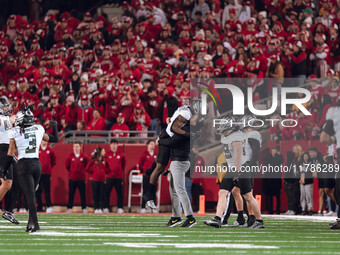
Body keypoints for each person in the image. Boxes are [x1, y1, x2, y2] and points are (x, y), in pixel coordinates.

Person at [5, 105, 59, 232]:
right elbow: (55, 138)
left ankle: (36, 225)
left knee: (29, 196)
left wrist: (4, 170)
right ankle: (30, 223)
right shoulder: (38, 128)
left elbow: (10, 154)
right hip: (37, 164)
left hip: (24, 165)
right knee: (31, 194)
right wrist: (55, 126)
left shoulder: (15, 132)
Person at [203, 116, 264, 229]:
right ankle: (217, 219)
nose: (220, 127)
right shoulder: (228, 136)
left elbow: (238, 156)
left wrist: (237, 173)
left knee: (248, 196)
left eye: (222, 124)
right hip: (232, 168)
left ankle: (259, 221)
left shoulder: (236, 137)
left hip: (240, 168)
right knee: (222, 192)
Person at [143, 104, 196, 210]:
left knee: (161, 161)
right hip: (167, 137)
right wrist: (187, 134)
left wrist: (170, 121)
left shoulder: (184, 109)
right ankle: (149, 196)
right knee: (160, 168)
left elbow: (170, 120)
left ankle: (150, 169)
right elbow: (174, 127)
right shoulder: (186, 114)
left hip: (167, 135)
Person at [162, 114, 199, 228]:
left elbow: (172, 140)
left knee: (180, 190)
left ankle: (190, 218)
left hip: (180, 162)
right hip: (177, 161)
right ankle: (176, 217)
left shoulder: (188, 130)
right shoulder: (186, 129)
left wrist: (169, 126)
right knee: (174, 190)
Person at [0, 97, 19, 225]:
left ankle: (9, 211)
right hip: (2, 150)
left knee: (19, 179)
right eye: (5, 106)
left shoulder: (7, 118)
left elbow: (14, 118)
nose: (8, 108)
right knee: (7, 184)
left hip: (10, 150)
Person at [65, 143, 89, 213]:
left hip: (81, 179)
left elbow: (86, 166)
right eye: (74, 146)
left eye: (77, 146)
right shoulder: (70, 156)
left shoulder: (84, 156)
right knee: (71, 194)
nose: (76, 148)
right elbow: (67, 166)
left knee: (83, 194)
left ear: (80, 147)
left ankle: (84, 207)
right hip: (72, 178)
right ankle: (69, 207)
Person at [104, 140, 126, 213]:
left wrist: (119, 172)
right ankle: (106, 207)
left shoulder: (121, 154)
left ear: (117, 145)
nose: (113, 146)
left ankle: (119, 207)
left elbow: (123, 165)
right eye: (112, 144)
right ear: (110, 145)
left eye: (115, 144)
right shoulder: (106, 154)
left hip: (118, 177)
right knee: (107, 193)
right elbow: (105, 166)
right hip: (109, 177)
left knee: (119, 193)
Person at [86, 147, 108, 213]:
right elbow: (87, 168)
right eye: (103, 151)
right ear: (100, 152)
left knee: (102, 194)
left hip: (102, 180)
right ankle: (96, 208)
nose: (105, 152)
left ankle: (100, 208)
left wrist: (104, 173)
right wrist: (92, 174)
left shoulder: (105, 160)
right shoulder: (93, 160)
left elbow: (108, 169)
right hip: (95, 180)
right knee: (95, 194)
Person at [262, 146, 284, 214]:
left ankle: (278, 210)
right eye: (273, 150)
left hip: (277, 179)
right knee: (269, 195)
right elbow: (264, 160)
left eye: (275, 150)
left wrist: (277, 155)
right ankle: (270, 209)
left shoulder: (279, 157)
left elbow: (281, 161)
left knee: (277, 196)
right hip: (269, 178)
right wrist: (272, 155)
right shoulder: (268, 157)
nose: (273, 151)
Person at [36, 139, 56, 213]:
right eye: (43, 140)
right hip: (39, 173)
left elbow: (53, 161)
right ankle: (39, 206)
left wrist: (49, 168)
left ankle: (48, 206)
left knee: (47, 190)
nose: (44, 142)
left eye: (45, 140)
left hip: (47, 173)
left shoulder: (50, 151)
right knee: (38, 190)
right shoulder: (37, 150)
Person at [138, 140, 157, 213]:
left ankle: (153, 208)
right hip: (146, 176)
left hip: (154, 177)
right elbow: (140, 164)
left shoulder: (156, 155)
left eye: (154, 144)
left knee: (153, 192)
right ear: (147, 145)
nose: (153, 145)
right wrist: (143, 172)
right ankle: (143, 207)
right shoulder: (144, 154)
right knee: (145, 191)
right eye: (151, 144)